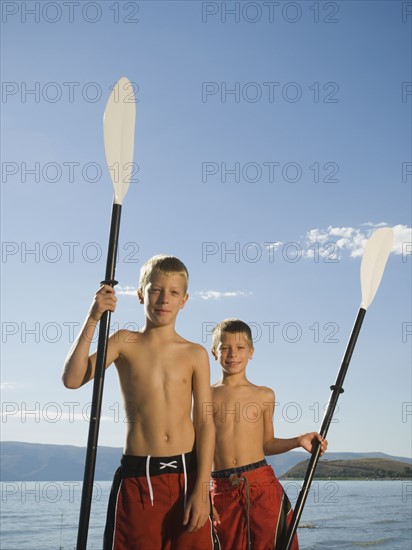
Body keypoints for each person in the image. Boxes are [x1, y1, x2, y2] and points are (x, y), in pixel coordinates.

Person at [62, 255, 219, 550]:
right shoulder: (124, 342)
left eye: (173, 292)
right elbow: (72, 379)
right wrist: (93, 316)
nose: (164, 299)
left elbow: (206, 423)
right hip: (139, 476)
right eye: (156, 290)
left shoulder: (195, 353)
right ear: (140, 294)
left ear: (184, 300)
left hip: (188, 474)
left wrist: (202, 490)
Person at [209, 318, 328, 550]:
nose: (233, 354)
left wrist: (298, 440)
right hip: (221, 487)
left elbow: (266, 443)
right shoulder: (204, 394)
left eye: (240, 348)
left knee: (272, 544)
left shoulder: (264, 395)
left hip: (262, 484)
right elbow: (196, 447)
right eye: (225, 348)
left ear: (251, 352)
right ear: (214, 352)